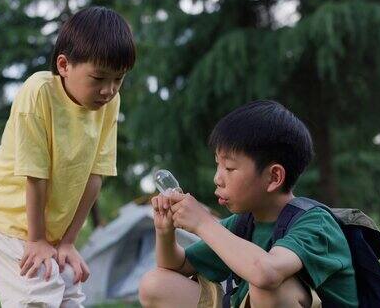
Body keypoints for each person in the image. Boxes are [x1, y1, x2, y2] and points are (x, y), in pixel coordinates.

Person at [0, 6, 136, 307]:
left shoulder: (109, 103)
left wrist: (68, 241)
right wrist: (37, 240)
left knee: (68, 288)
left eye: (118, 79)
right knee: (39, 293)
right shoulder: (39, 92)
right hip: (4, 212)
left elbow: (94, 176)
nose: (108, 90)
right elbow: (35, 175)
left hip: (46, 226)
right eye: (98, 78)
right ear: (64, 65)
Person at [139, 100, 358, 308]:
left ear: (273, 177)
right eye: (218, 165)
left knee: (267, 287)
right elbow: (177, 265)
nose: (218, 178)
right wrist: (165, 231)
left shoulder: (316, 223)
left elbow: (266, 273)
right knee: (155, 284)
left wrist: (203, 223)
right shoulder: (244, 223)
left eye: (230, 168)